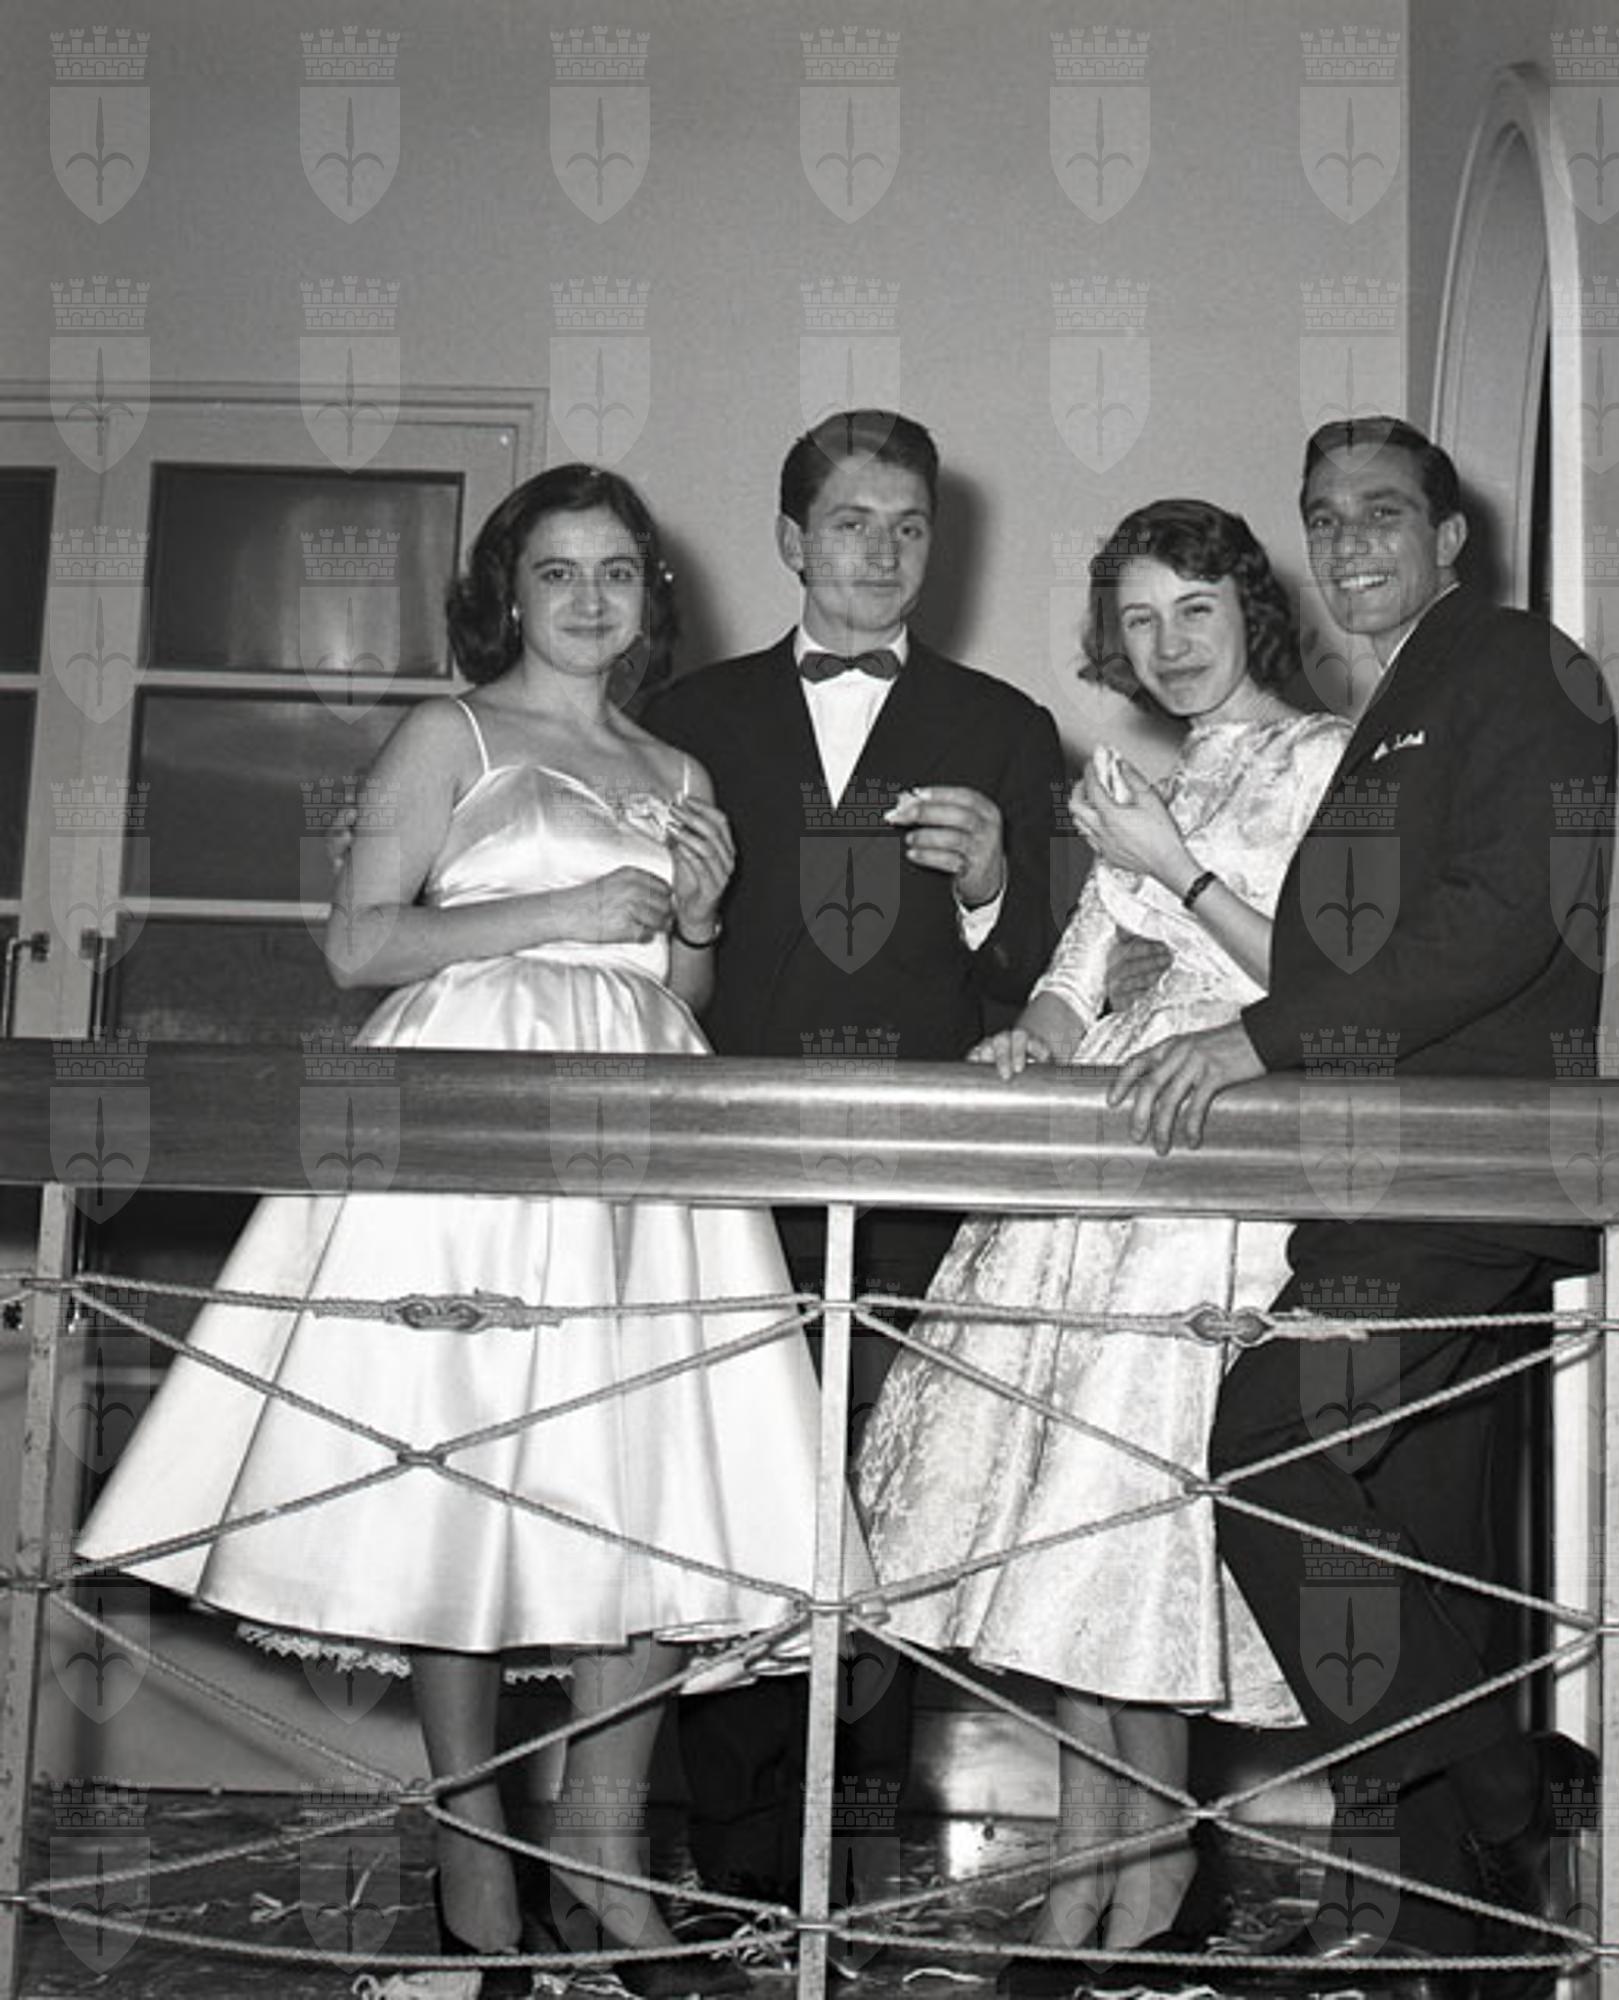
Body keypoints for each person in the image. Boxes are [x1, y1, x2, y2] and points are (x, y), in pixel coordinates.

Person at [75, 464, 856, 1999]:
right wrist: (555, 917)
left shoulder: (676, 765)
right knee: (465, 1472)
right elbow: (359, 944)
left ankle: (608, 1870)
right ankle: (473, 1861)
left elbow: (680, 990)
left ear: (650, 596)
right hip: (471, 1118)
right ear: (508, 590)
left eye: (616, 571)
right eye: (556, 570)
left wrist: (696, 920)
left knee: (644, 1475)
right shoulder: (452, 734)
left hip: (642, 1135)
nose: (587, 598)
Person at [1110, 421, 1617, 2000]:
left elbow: (1504, 917)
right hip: (1380, 1174)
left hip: (1456, 1171)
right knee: (1430, 1538)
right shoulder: (1392, 702)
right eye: (1322, 519)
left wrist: (1255, 1037)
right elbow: (1360, 948)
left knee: (1267, 1457)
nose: (1346, 545)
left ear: (1450, 538)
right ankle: (1456, 1936)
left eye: (1381, 514)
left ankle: (1507, 1786)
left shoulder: (1514, 665)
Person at [854, 500, 1351, 1993]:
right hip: (1093, 1171)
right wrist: (1036, 1034)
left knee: (1139, 1525)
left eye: (1193, 609)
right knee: (1063, 1549)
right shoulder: (1141, 778)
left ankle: (1142, 1875)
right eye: (1137, 619)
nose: (1166, 644)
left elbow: (1329, 977)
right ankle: (1107, 1873)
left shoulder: (1327, 758)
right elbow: (1079, 975)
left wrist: (1173, 866)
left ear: (1249, 610)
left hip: (1216, 1159)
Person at [644, 410, 1066, 1908]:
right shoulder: (684, 716)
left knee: (883, 1513)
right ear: (790, 539)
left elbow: (1050, 977)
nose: (882, 554)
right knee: (733, 1500)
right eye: (850, 523)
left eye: (908, 527)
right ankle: (737, 1870)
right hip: (725, 1171)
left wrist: (994, 885)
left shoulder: (1007, 725)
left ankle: (854, 1876)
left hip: (913, 1177)